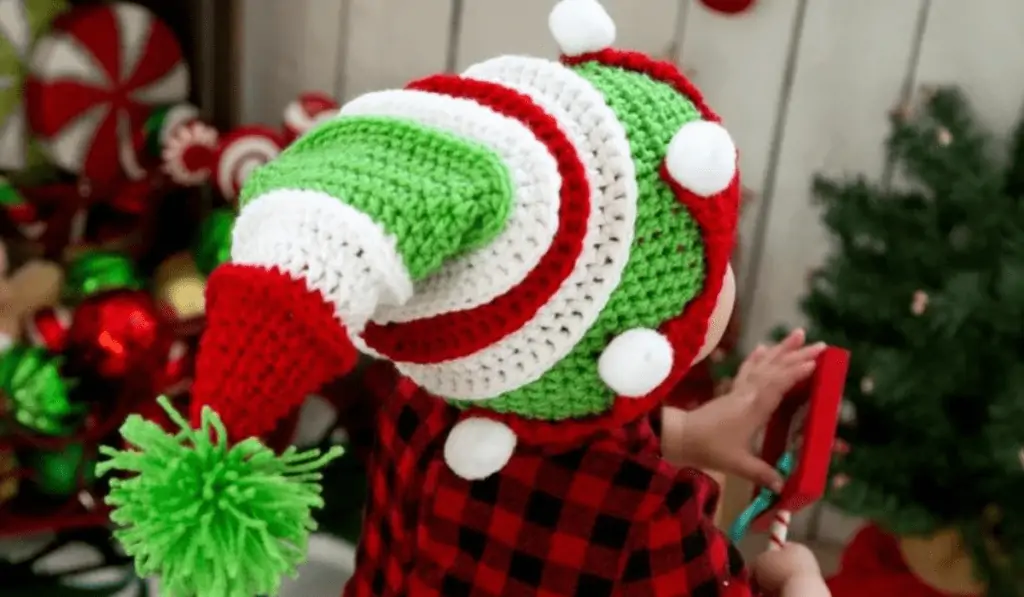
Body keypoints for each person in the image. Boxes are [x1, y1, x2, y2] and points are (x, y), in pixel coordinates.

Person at [100, 0, 832, 594]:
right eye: (709, 260)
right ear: (625, 344)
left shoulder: (431, 398)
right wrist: (798, 582)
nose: (725, 275)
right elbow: (597, 490)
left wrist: (687, 435)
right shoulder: (649, 518)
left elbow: (551, 453)